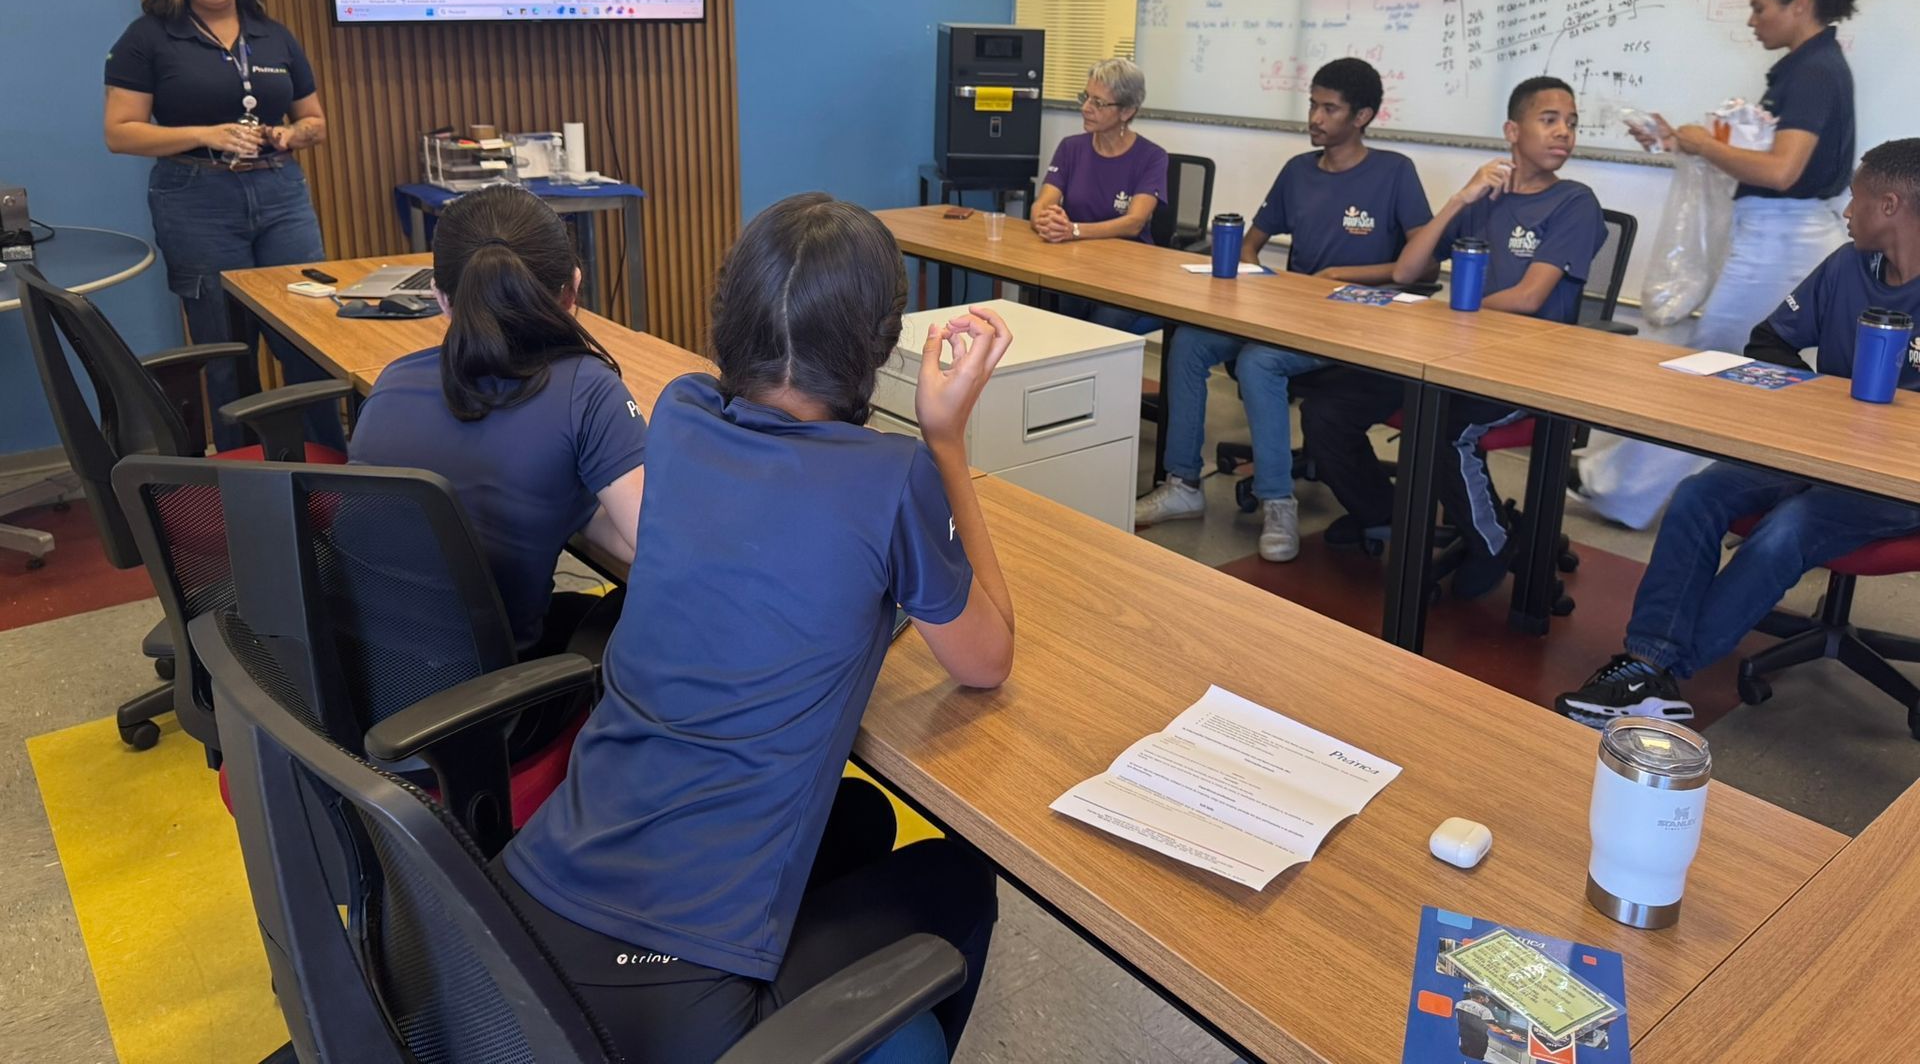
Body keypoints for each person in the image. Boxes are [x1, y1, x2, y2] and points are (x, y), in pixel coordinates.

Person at [500, 194, 1015, 1064]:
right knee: (959, 878)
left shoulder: (682, 412)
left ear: (725, 314)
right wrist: (946, 441)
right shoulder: (895, 478)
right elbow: (986, 660)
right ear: (878, 344)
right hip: (675, 977)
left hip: (527, 905)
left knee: (857, 818)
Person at [1556, 140, 1920, 727]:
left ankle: (1664, 673)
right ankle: (1649, 662)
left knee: (1787, 530)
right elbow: (1770, 340)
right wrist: (1820, 409)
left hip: (1896, 482)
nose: (1846, 213)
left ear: (1890, 204)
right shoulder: (1848, 264)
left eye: (1855, 200)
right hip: (1819, 453)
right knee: (1702, 494)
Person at [1577, 0, 1893, 529]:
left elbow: (1781, 171)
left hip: (1783, 239)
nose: (1752, 22)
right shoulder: (1805, 68)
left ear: (1799, 4)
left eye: (1759, 8)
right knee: (1712, 364)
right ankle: (1618, 482)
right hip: (1774, 234)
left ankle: (1620, 489)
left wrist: (1704, 146)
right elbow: (1766, 159)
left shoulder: (1815, 72)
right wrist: (1684, 142)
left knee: (1710, 366)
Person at [1300, 77, 1606, 597]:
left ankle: (1491, 541)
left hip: (1527, 365)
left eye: (1572, 123)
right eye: (1550, 119)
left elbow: (1530, 298)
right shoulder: (1486, 197)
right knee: (1328, 408)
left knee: (1442, 427)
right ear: (1512, 130)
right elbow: (1407, 269)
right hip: (1449, 355)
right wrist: (1460, 200)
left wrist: (1449, 317)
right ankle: (1384, 515)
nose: (1564, 134)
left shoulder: (1574, 202)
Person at [1133, 59, 1432, 563]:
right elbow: (1251, 246)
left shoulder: (1394, 172)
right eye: (1313, 104)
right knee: (1188, 341)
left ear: (1361, 116)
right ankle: (1183, 482)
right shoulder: (1297, 171)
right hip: (1294, 314)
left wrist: (1341, 278)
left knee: (1258, 362)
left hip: (1360, 323)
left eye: (1329, 108)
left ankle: (1277, 502)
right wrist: (1259, 290)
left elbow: (1417, 264)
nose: (1315, 116)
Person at [347, 186, 648, 659]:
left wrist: (575, 501)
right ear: (573, 288)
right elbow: (651, 544)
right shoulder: (586, 390)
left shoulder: (390, 382)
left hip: (363, 688)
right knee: (636, 611)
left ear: (441, 299)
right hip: (491, 712)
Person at [104, 0, 343, 453]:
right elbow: (119, 133)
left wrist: (291, 134)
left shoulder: (273, 34)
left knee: (310, 337)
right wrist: (206, 133)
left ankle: (335, 468)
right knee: (226, 351)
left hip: (280, 193)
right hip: (197, 196)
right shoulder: (150, 37)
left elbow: (316, 122)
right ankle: (243, 478)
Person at [1032, 57, 1169, 333]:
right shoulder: (1071, 148)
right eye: (1086, 97)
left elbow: (1134, 222)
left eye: (1098, 102)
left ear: (1127, 111)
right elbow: (1043, 202)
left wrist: (1074, 231)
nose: (1085, 108)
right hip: (1076, 265)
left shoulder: (1152, 157)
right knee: (1056, 309)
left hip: (1128, 274)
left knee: (1103, 325)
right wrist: (1045, 221)